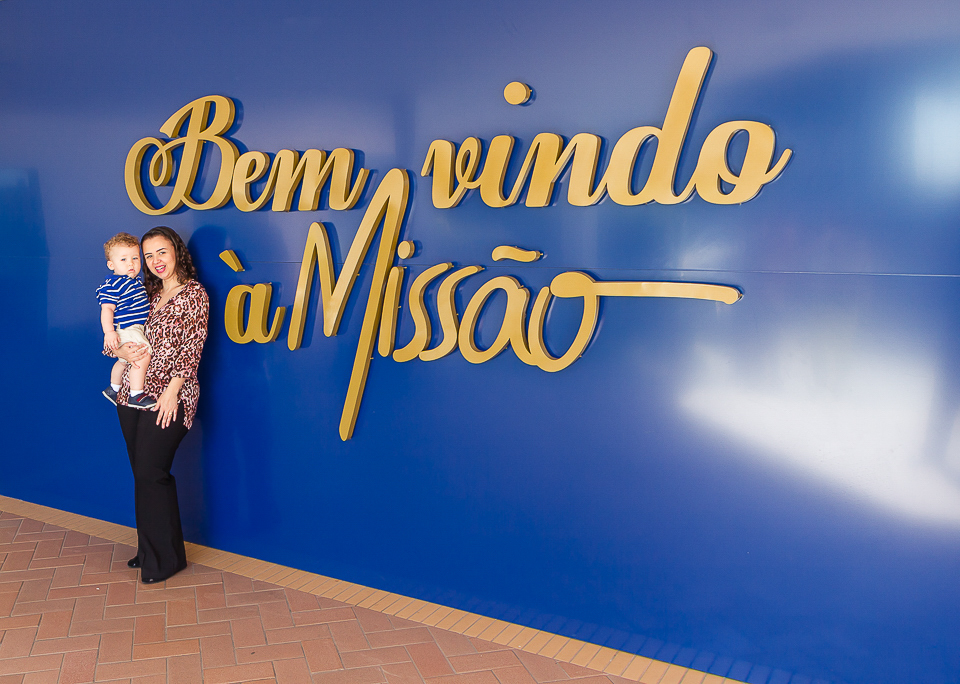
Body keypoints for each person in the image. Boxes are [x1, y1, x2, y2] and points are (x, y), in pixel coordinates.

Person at [110, 226, 209, 584]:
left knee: (153, 472)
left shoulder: (194, 294)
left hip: (169, 396)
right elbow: (117, 336)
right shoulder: (143, 292)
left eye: (161, 252)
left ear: (176, 251)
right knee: (142, 474)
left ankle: (166, 559)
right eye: (148, 255)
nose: (155, 262)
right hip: (131, 394)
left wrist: (173, 390)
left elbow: (193, 347)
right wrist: (117, 349)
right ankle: (150, 549)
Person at [96, 233, 155, 409]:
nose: (131, 263)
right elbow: (107, 309)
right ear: (111, 264)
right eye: (123, 259)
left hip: (133, 328)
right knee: (142, 355)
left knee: (123, 361)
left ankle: (113, 389)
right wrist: (109, 332)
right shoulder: (114, 284)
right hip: (128, 328)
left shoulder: (134, 281)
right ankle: (136, 394)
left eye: (135, 258)